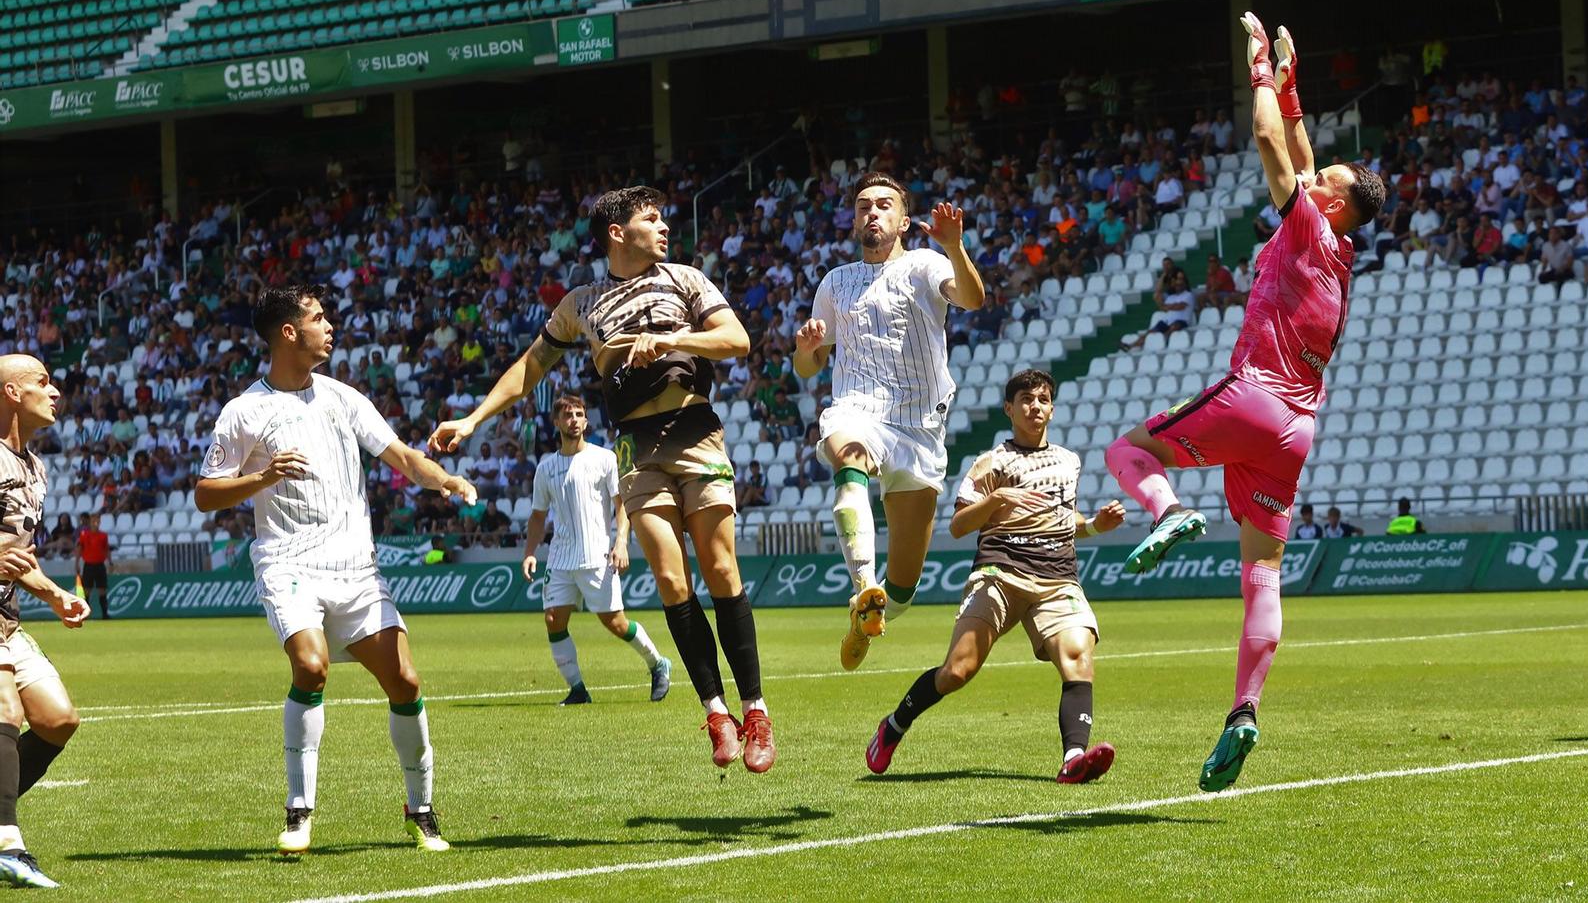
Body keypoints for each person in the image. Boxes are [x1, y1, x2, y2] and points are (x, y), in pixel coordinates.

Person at [1104, 12, 1384, 792]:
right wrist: (1296, 87)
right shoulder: (1339, 246)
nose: (1315, 171)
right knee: (1263, 572)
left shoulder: (1305, 221)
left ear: (1328, 204)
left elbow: (1271, 147)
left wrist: (1260, 72)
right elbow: (1300, 149)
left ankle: (1166, 511)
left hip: (1255, 394)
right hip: (1297, 431)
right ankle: (1244, 712)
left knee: (1128, 450)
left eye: (1325, 180)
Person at [430, 187, 771, 772]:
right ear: (617, 232)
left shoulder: (686, 280)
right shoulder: (581, 304)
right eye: (651, 218)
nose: (664, 226)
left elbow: (736, 341)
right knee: (669, 577)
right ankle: (716, 712)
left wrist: (670, 339)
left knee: (720, 570)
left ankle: (756, 709)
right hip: (635, 447)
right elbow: (530, 368)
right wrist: (472, 419)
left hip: (695, 431)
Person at [196, 287, 474, 855]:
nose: (331, 326)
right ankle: (299, 813)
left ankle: (420, 812)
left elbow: (400, 456)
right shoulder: (244, 411)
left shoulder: (346, 398)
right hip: (287, 560)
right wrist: (263, 478)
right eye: (319, 318)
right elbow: (205, 494)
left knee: (407, 683)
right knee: (311, 664)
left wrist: (443, 479)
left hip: (355, 568)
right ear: (288, 333)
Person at [865, 369, 1123, 783]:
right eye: (1025, 399)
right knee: (957, 671)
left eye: (1042, 399)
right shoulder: (991, 462)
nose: (1034, 406)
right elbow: (958, 525)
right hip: (999, 573)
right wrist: (998, 499)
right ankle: (894, 725)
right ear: (1008, 409)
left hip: (1056, 576)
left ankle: (1074, 758)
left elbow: (1061, 518)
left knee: (1078, 659)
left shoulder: (1069, 461)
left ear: (1052, 409)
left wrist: (1093, 525)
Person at [792, 175, 984, 671]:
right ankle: (861, 587)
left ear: (902, 220)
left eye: (883, 206)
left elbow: (972, 298)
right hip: (857, 410)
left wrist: (956, 247)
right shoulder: (834, 282)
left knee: (901, 590)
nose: (871, 213)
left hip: (920, 429)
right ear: (854, 220)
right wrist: (806, 351)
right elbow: (808, 368)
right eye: (862, 207)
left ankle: (869, 615)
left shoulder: (926, 263)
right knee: (848, 454)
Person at [0, 355, 92, 889]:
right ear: (12, 393)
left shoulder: (35, 469)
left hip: (8, 616)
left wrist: (56, 595)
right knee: (6, 709)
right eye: (42, 382)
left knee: (58, 720)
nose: (55, 391)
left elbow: (19, 555)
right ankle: (8, 844)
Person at [521, 395, 671, 707]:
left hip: (598, 554)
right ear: (557, 422)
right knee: (553, 619)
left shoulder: (605, 459)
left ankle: (658, 664)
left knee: (615, 623)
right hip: (561, 558)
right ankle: (577, 690)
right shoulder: (545, 468)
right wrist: (530, 552)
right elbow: (537, 515)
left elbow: (622, 505)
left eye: (579, 414)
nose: (573, 419)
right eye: (567, 415)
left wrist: (620, 542)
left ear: (587, 421)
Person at [76, 514, 110, 620]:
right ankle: (85, 614)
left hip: (100, 565)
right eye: (93, 521)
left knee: (102, 590)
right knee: (87, 591)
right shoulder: (84, 534)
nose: (95, 523)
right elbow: (79, 549)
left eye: (97, 521)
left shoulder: (103, 535)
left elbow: (106, 549)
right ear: (90, 522)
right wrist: (77, 562)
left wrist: (110, 562)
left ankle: (105, 614)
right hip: (88, 565)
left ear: (99, 522)